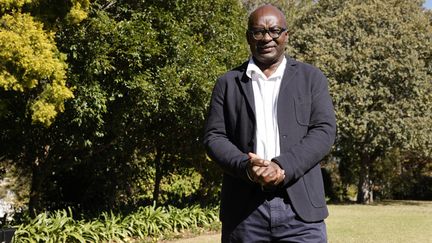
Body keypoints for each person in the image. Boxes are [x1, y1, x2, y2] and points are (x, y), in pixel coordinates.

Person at [203, 4, 336, 243]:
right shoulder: (228, 83)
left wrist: (281, 166)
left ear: (286, 35)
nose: (267, 38)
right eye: (258, 32)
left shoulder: (311, 78)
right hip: (244, 213)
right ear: (248, 37)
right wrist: (246, 166)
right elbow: (214, 137)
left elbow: (324, 132)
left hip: (301, 213)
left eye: (274, 30)